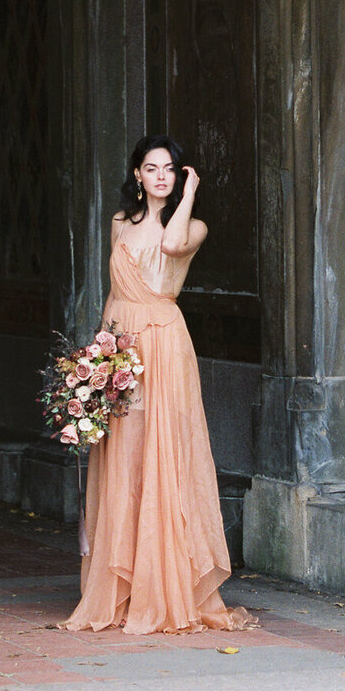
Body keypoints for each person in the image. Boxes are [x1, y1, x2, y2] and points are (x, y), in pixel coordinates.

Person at [62, 135, 250, 634]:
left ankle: (163, 586)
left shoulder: (194, 225)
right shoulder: (120, 223)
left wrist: (189, 195)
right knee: (126, 451)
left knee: (164, 451)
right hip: (122, 339)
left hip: (164, 344)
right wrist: (101, 353)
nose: (161, 175)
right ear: (138, 175)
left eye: (170, 169)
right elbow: (114, 288)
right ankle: (121, 590)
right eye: (152, 168)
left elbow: (170, 245)